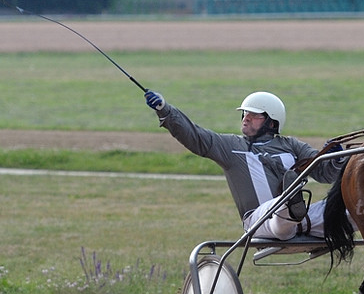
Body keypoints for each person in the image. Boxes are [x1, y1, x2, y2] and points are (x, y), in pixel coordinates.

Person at [144, 89, 344, 240]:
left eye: (254, 115)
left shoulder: (292, 146)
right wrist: (165, 111)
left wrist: (335, 157)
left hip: (303, 219)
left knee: (354, 206)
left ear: (272, 122)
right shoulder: (230, 146)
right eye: (245, 113)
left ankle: (291, 205)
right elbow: (195, 136)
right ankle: (289, 203)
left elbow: (325, 173)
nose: (246, 118)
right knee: (281, 208)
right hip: (259, 221)